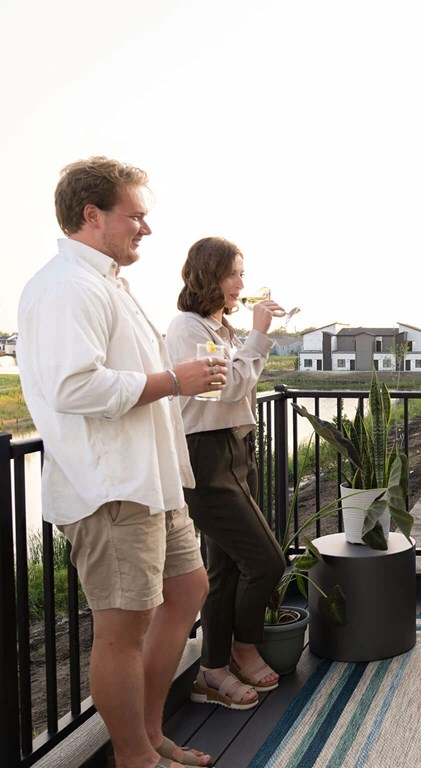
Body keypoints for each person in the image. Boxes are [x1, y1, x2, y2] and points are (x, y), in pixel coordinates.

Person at [17, 157, 223, 768]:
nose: (146, 229)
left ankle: (149, 734)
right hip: (110, 490)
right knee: (121, 631)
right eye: (136, 215)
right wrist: (172, 380)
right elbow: (72, 388)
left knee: (188, 590)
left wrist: (173, 383)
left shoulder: (106, 283)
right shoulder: (66, 287)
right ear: (92, 214)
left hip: (151, 482)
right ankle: (136, 758)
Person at [165, 237, 287, 710]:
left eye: (242, 273)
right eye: (234, 273)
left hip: (238, 448)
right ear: (209, 274)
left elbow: (241, 388)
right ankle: (243, 648)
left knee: (227, 566)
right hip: (206, 455)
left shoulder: (220, 329)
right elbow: (226, 388)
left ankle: (211, 671)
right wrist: (258, 334)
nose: (242, 283)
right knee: (266, 561)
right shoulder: (186, 327)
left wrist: (248, 338)